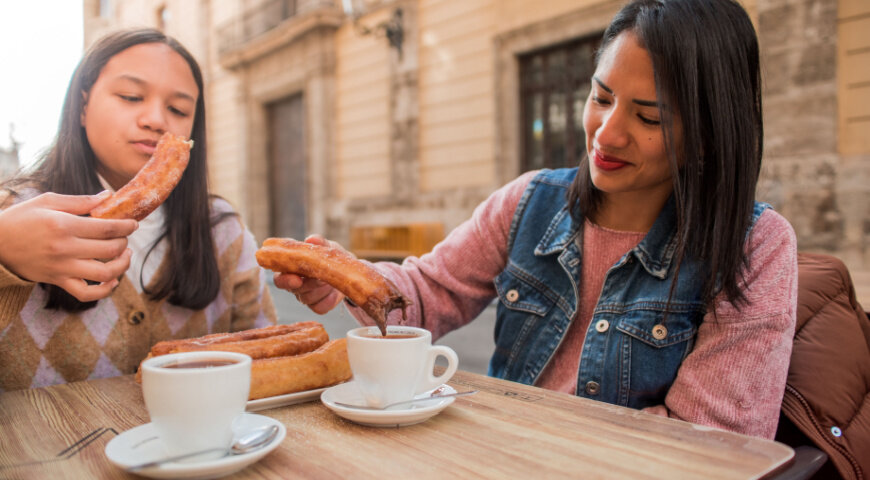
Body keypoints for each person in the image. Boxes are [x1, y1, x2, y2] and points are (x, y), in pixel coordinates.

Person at [276, 0, 797, 440]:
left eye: (649, 117)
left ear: (707, 135)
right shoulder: (528, 202)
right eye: (600, 97)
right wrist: (346, 279)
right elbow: (426, 293)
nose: (606, 133)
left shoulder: (757, 246)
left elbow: (710, 441)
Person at [0, 28, 276, 391]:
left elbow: (268, 350)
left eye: (178, 109)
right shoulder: (14, 213)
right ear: (82, 107)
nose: (156, 120)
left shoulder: (220, 229)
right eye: (131, 96)